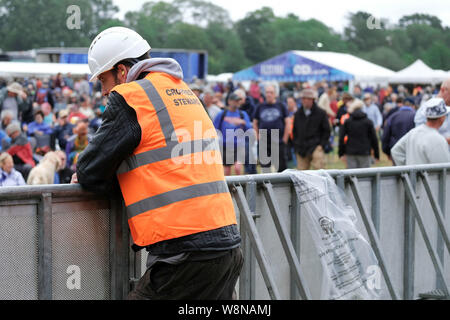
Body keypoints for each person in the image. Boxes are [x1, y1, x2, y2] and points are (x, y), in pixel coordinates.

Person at [72, 26, 242, 300]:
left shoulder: (132, 96)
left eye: (103, 79)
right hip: (225, 246)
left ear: (122, 72)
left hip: (186, 254)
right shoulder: (183, 92)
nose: (103, 91)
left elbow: (90, 171)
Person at [391, 98, 450, 166]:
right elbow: (446, 170)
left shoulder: (412, 133)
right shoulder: (439, 139)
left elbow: (396, 151)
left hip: (414, 176)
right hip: (431, 176)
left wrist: (408, 171)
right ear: (442, 118)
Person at [253, 84, 290, 173]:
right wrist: (257, 137)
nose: (269, 94)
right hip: (264, 143)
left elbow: (288, 122)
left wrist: (285, 139)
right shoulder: (260, 107)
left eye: (271, 92)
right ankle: (267, 186)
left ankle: (281, 186)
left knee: (281, 169)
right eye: (267, 92)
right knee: (265, 169)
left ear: (275, 94)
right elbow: (255, 123)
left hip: (278, 142)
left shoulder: (281, 106)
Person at [214, 92, 252, 176]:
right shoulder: (222, 114)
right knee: (226, 171)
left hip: (239, 146)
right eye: (235, 100)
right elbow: (215, 129)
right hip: (225, 146)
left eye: (238, 101)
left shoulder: (242, 114)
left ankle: (241, 187)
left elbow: (249, 130)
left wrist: (243, 122)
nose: (237, 102)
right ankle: (229, 188)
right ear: (229, 101)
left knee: (237, 168)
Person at [292, 88, 330, 170]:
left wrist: (322, 145)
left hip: (316, 146)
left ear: (312, 100)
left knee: (319, 169)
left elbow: (327, 130)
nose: (305, 101)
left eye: (307, 99)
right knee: (301, 174)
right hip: (301, 147)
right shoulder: (298, 114)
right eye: (303, 98)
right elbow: (294, 130)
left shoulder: (321, 113)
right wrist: (296, 145)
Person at [338, 99, 379, 169]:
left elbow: (341, 137)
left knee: (351, 176)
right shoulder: (368, 122)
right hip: (365, 151)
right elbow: (374, 138)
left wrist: (341, 153)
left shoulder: (348, 122)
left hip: (350, 152)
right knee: (364, 176)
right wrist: (376, 154)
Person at [414, 78, 450, 148]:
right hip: (436, 156)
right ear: (443, 90)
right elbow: (420, 138)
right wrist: (445, 140)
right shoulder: (425, 109)